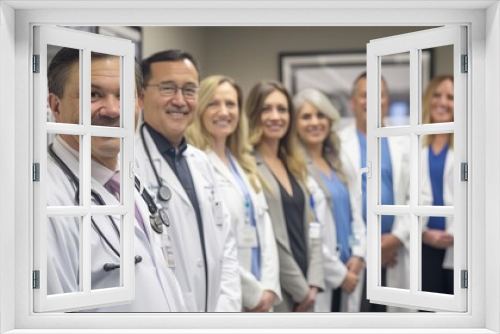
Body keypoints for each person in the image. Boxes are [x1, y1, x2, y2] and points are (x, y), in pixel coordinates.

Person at [46, 48, 186, 312]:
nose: (112, 110)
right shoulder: (46, 203)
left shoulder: (130, 179)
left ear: (139, 102)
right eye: (93, 94)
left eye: (123, 95)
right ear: (56, 106)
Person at [135, 50, 241, 312]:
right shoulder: (128, 164)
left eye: (190, 90)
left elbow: (226, 246)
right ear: (141, 96)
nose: (180, 100)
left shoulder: (202, 162)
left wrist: (226, 310)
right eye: (168, 88)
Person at [186, 75, 281, 312]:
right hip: (227, 295)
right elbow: (213, 244)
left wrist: (269, 288)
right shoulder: (194, 163)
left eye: (231, 104)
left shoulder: (243, 162)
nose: (224, 112)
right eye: (213, 104)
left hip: (262, 290)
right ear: (200, 109)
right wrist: (253, 294)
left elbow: (265, 227)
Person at [246, 80, 325, 312]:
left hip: (307, 287)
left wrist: (314, 282)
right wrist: (301, 290)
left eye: (282, 109)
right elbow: (272, 239)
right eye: (266, 109)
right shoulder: (248, 166)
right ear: (253, 114)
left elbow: (314, 225)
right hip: (279, 289)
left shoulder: (294, 163)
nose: (275, 116)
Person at [339, 72, 410, 312]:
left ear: (387, 101)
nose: (371, 101)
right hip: (354, 254)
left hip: (394, 253)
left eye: (378, 95)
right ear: (353, 101)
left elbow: (418, 197)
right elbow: (338, 204)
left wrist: (396, 239)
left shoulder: (405, 142)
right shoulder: (337, 144)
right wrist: (369, 249)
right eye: (364, 95)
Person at [294, 88, 366, 312]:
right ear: (295, 124)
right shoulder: (294, 167)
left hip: (350, 265)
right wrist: (340, 273)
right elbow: (308, 231)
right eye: (306, 116)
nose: (315, 122)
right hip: (323, 273)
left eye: (320, 115)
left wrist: (358, 254)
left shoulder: (338, 159)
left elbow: (356, 212)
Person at [420, 75, 455, 295]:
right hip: (422, 241)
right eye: (437, 95)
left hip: (458, 243)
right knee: (425, 315)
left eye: (450, 97)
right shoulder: (412, 145)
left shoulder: (468, 144)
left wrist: (457, 233)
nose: (442, 102)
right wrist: (423, 233)